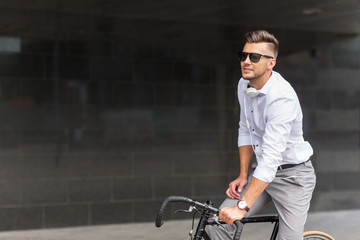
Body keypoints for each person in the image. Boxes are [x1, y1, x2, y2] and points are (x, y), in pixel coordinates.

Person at [208, 30, 316, 240]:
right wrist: (242, 174)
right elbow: (245, 129)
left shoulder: (281, 98)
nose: (246, 61)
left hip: (293, 177)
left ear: (271, 63)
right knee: (217, 224)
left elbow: (271, 158)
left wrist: (241, 206)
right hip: (263, 172)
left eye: (254, 57)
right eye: (243, 55)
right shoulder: (244, 84)